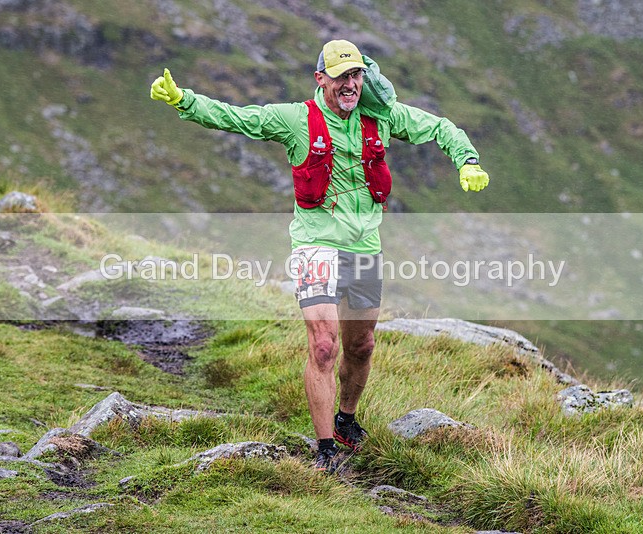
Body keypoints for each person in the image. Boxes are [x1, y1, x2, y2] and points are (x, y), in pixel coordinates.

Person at [150, 39, 489, 473]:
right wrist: (184, 100)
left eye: (356, 75)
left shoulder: (381, 117)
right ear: (321, 79)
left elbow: (440, 127)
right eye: (341, 76)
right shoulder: (295, 119)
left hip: (365, 247)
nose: (350, 84)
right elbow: (237, 119)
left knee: (362, 345)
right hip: (315, 245)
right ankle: (325, 448)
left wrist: (468, 160)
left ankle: (346, 421)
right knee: (325, 346)